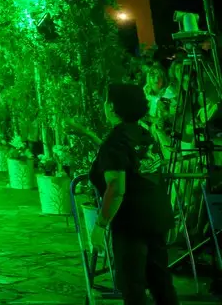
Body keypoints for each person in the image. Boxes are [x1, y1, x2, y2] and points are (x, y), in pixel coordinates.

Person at [88, 83, 178, 305]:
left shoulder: (115, 141)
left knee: (133, 287)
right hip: (157, 215)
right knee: (160, 282)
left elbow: (116, 189)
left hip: (131, 223)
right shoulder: (144, 135)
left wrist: (100, 225)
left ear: (111, 106)